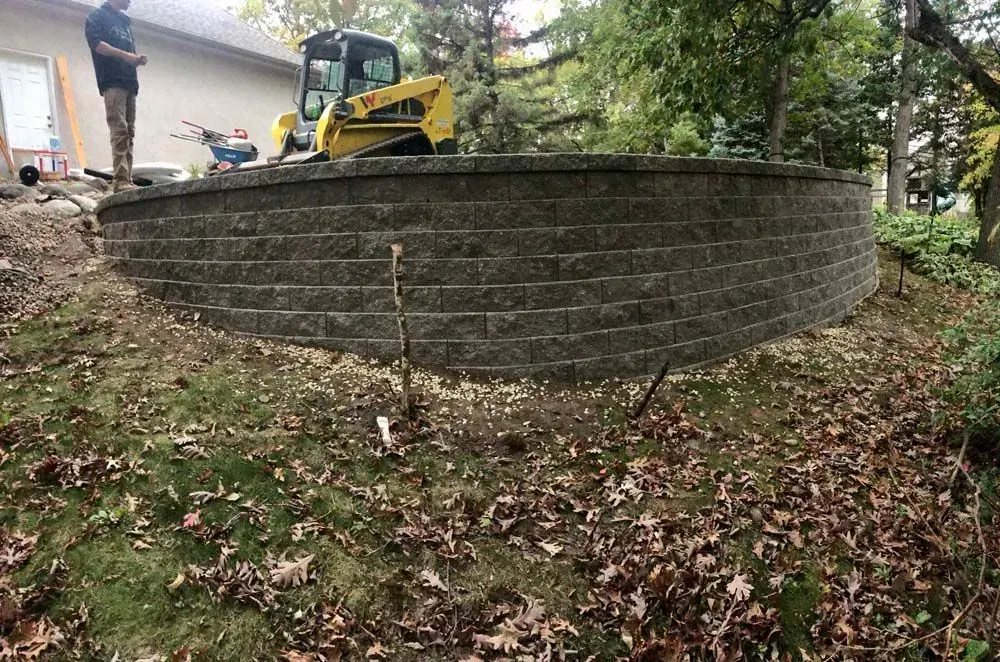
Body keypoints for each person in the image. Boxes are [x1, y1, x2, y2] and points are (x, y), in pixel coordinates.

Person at [85, 0, 148, 192]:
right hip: (112, 81)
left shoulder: (125, 22)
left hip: (129, 82)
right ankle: (120, 181)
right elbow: (97, 45)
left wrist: (135, 59)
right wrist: (126, 56)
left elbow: (130, 52)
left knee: (129, 132)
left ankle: (126, 179)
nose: (131, 1)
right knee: (119, 130)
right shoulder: (97, 16)